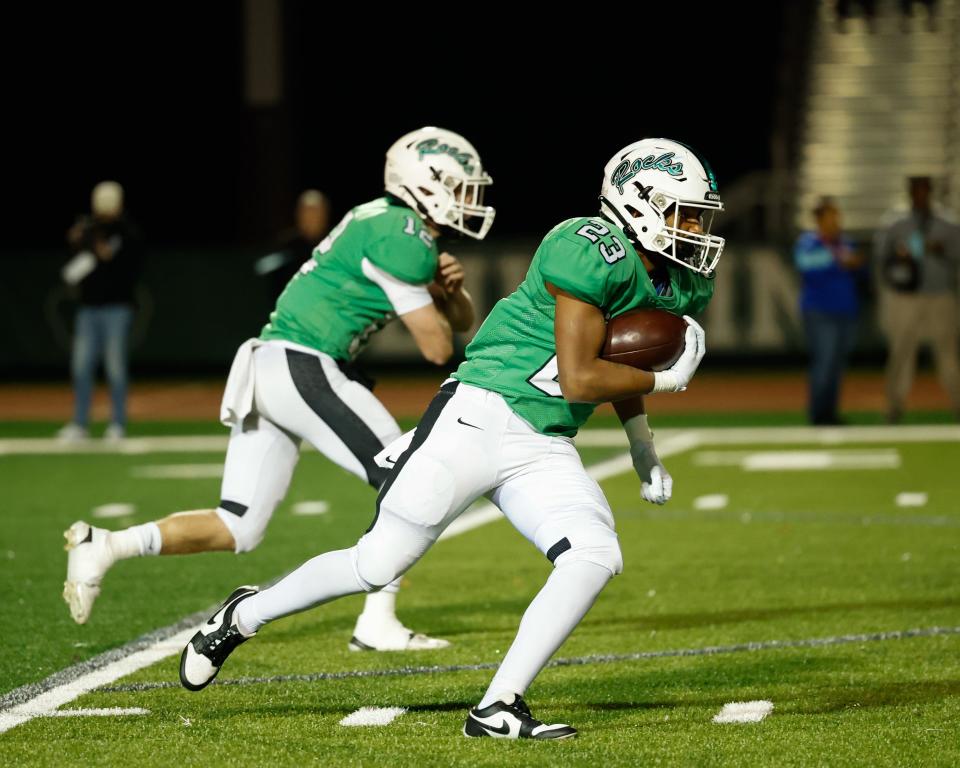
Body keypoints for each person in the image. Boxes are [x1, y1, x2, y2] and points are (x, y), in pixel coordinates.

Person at [178, 138, 723, 740]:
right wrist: (666, 379)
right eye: (684, 211)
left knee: (594, 555)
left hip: (543, 442)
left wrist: (641, 446)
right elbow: (580, 373)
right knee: (375, 564)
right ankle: (241, 616)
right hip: (478, 416)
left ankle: (498, 706)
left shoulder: (674, 281)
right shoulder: (588, 246)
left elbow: (608, 362)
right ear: (638, 203)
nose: (695, 227)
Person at [63, 127, 494, 653]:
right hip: (302, 364)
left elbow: (460, 315)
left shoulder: (389, 224)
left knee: (238, 525)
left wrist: (445, 289)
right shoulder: (400, 233)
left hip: (270, 369)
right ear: (424, 184)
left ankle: (104, 546)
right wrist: (436, 291)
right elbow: (435, 345)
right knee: (410, 480)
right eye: (459, 186)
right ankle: (376, 620)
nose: (469, 198)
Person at [58, 181, 142, 441]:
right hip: (88, 308)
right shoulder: (88, 229)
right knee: (81, 366)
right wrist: (77, 240)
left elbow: (130, 262)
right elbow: (75, 264)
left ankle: (117, 423)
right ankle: (80, 423)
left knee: (115, 367)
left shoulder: (126, 231)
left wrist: (101, 247)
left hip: (117, 308)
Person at [876, 176, 960, 422]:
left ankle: (957, 402)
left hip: (939, 294)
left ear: (930, 192)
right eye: (917, 190)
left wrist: (941, 249)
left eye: (925, 190)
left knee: (947, 352)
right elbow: (882, 256)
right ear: (910, 192)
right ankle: (894, 406)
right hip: (906, 296)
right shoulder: (895, 223)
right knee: (901, 351)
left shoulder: (948, 223)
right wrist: (899, 256)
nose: (921, 195)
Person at [794, 197, 866, 425]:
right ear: (819, 219)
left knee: (837, 366)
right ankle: (818, 414)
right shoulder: (808, 242)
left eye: (836, 216)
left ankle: (830, 412)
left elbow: (859, 271)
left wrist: (854, 264)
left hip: (845, 310)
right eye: (830, 216)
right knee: (824, 364)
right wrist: (839, 260)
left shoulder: (845, 242)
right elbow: (806, 265)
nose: (835, 221)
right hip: (820, 311)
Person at [255, 189, 331, 299]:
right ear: (298, 214)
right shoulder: (285, 245)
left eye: (315, 212)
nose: (311, 218)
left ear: (325, 214)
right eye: (306, 212)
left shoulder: (335, 241)